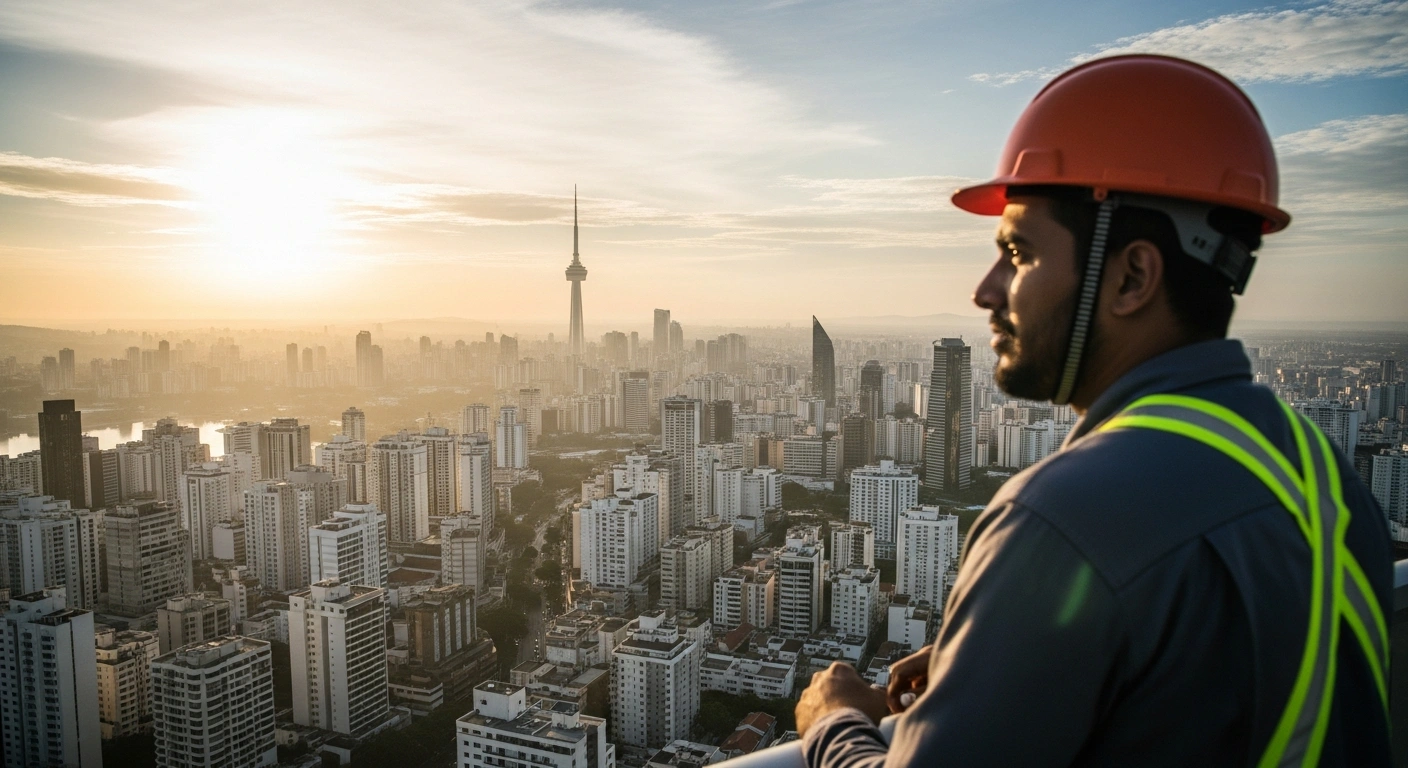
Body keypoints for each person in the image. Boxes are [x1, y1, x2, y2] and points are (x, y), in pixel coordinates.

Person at [796, 54, 1391, 767]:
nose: (986, 290)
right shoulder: (1323, 475)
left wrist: (832, 723)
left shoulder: (1061, 518)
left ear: (1132, 275)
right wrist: (1008, 649)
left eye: (1017, 253)